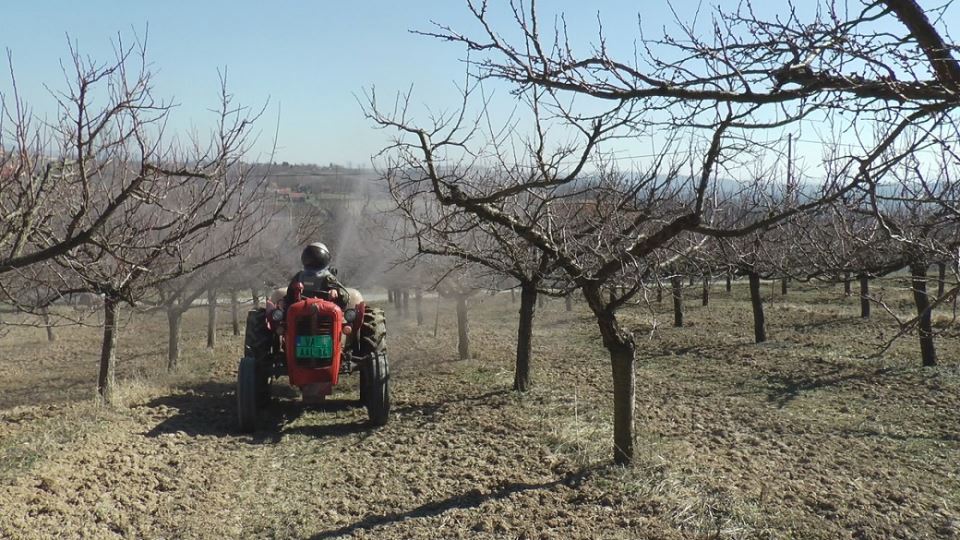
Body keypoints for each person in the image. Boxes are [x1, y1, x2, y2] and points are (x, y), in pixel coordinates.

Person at [284, 242, 350, 308]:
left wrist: (336, 292)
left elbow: (345, 297)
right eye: (310, 256)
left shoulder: (327, 277)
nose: (312, 260)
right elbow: (289, 295)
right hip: (300, 311)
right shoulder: (299, 276)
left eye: (316, 257)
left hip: (324, 312)